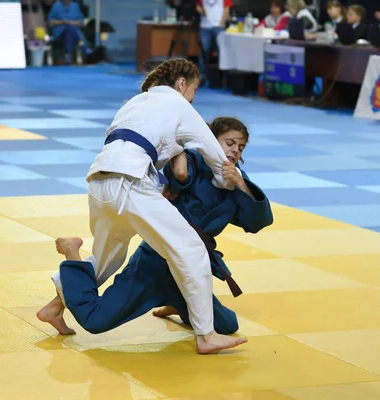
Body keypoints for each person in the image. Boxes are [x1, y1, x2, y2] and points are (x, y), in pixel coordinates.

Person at [37, 58, 247, 354]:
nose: (193, 98)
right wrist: (231, 182)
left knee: (106, 259)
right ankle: (206, 335)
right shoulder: (178, 105)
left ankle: (54, 307)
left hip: (99, 180)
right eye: (194, 90)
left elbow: (138, 146)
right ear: (182, 83)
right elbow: (214, 152)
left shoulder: (135, 102)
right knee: (191, 250)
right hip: (131, 183)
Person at [38, 117, 273, 339]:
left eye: (241, 147)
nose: (235, 150)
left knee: (228, 325)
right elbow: (180, 173)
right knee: (96, 320)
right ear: (211, 141)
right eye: (229, 143)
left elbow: (256, 222)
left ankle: (177, 301)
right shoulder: (195, 161)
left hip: (190, 267)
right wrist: (181, 142)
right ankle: (72, 254)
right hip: (156, 261)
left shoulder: (236, 182)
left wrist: (240, 183)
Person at [195, 0, 233, 85]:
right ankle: (202, 75)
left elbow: (227, 8)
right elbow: (198, 6)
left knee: (221, 52)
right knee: (203, 51)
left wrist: (222, 23)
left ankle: (224, 77)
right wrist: (201, 11)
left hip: (218, 26)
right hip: (205, 27)